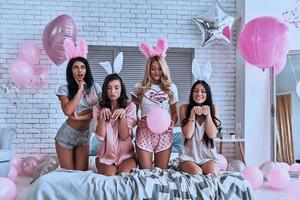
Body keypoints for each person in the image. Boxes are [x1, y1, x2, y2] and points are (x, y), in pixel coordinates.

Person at [132, 37, 179, 169]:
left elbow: (175, 113)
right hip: (144, 133)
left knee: (161, 173)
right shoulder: (139, 87)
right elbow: (132, 112)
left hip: (164, 134)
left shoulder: (171, 88)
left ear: (164, 69)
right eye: (153, 68)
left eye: (159, 68)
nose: (156, 72)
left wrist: (172, 123)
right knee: (145, 173)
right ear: (148, 69)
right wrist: (137, 120)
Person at [55, 39, 101, 170]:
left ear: (86, 70)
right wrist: (80, 89)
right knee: (68, 174)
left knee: (81, 175)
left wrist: (81, 117)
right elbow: (68, 111)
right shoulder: (64, 89)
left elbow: (99, 111)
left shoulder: (95, 88)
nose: (80, 70)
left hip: (84, 136)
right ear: (71, 71)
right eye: (76, 67)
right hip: (66, 136)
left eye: (82, 67)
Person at [95, 73, 137, 176]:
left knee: (124, 173)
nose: (112, 91)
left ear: (122, 89)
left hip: (126, 155)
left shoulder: (130, 106)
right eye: (109, 88)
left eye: (116, 88)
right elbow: (100, 138)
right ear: (105, 90)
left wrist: (122, 116)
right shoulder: (98, 107)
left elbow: (124, 136)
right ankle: (98, 161)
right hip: (106, 156)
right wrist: (101, 117)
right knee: (111, 173)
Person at [178, 80, 221, 175]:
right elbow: (188, 135)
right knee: (197, 173)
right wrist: (192, 114)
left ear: (208, 94)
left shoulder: (214, 108)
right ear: (192, 93)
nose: (199, 94)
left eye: (203, 91)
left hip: (208, 158)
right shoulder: (184, 108)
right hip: (188, 158)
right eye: (195, 91)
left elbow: (212, 135)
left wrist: (208, 115)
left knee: (213, 173)